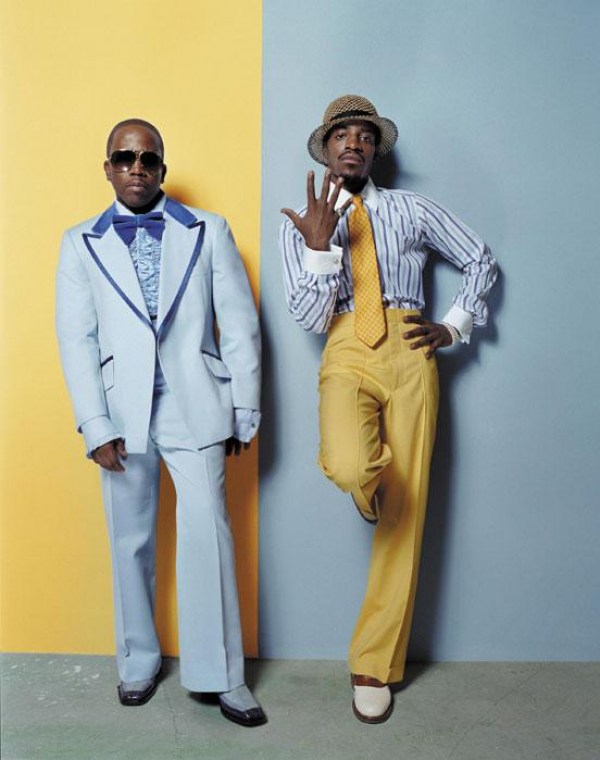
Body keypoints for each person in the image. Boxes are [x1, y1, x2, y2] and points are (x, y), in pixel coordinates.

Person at [280, 95, 497, 724]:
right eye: (341, 135)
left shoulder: (411, 209)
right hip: (346, 342)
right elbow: (310, 318)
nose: (354, 143)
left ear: (375, 150)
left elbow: (479, 257)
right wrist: (321, 248)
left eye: (365, 135)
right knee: (352, 466)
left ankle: (373, 663)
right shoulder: (300, 223)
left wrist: (453, 325)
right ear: (325, 149)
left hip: (410, 347)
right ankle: (367, 489)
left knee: (408, 513)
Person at [56, 118, 266, 727]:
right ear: (108, 168)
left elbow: (239, 323)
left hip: (195, 401)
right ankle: (138, 662)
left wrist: (243, 407)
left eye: (148, 159)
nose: (137, 168)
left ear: (162, 169)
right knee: (130, 538)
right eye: (125, 158)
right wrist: (95, 424)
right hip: (121, 410)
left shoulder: (208, 230)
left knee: (208, 532)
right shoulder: (80, 242)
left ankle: (222, 676)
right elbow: (76, 338)